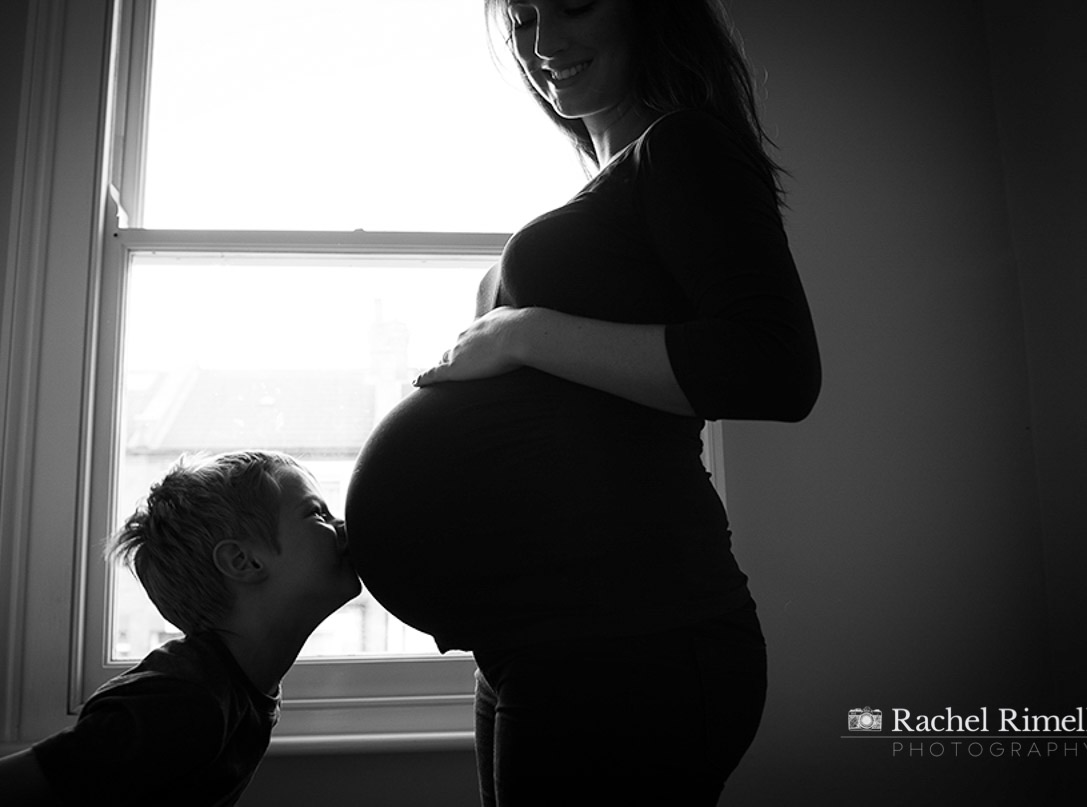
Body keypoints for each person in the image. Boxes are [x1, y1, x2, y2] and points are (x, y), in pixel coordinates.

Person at [344, 0, 821, 803]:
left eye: (571, 7)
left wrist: (525, 331)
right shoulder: (610, 183)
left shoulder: (683, 147)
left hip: (634, 638)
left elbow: (774, 367)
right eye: (524, 19)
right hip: (542, 636)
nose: (543, 42)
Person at [0, 451, 361, 807]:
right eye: (317, 513)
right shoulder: (179, 703)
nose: (341, 525)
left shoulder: (244, 684)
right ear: (243, 562)